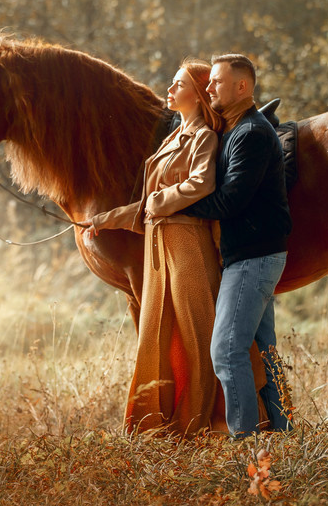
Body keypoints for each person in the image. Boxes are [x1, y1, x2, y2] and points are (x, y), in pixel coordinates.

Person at [82, 59, 226, 435]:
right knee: (158, 334)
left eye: (178, 85)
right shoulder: (171, 139)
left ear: (198, 93)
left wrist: (158, 203)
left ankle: (207, 425)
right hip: (160, 248)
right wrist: (104, 219)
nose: (170, 90)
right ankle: (159, 425)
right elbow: (148, 204)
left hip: (189, 243)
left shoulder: (205, 138)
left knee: (199, 334)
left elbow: (201, 185)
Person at [156, 53, 293, 436]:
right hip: (257, 255)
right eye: (209, 82)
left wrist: (174, 204)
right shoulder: (237, 131)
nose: (209, 87)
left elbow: (231, 200)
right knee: (262, 353)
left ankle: (245, 442)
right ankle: (283, 434)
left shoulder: (250, 133)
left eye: (216, 81)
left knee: (227, 352)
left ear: (242, 87)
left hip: (252, 257)